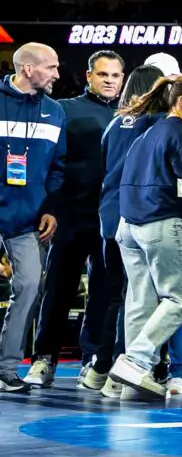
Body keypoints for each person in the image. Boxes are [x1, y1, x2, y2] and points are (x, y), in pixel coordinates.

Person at [108, 75, 182, 398]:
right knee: (179, 301)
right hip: (162, 224)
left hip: (128, 226)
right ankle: (135, 361)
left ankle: (124, 383)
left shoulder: (147, 131)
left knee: (140, 301)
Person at [26, 50, 123, 391]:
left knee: (103, 292)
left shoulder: (130, 115)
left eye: (115, 75)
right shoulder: (64, 110)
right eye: (103, 74)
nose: (109, 81)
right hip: (69, 216)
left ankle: (92, 361)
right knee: (58, 289)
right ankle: (44, 358)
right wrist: (50, 207)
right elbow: (47, 162)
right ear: (88, 76)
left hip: (111, 219)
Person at [94, 64, 165, 398]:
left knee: (117, 298)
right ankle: (128, 372)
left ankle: (102, 368)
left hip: (110, 219)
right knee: (141, 299)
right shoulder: (158, 124)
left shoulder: (112, 124)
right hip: (140, 217)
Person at [0, 43, 65, 394]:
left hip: (27, 218)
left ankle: (6, 367)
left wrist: (51, 207)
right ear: (28, 69)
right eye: (50, 67)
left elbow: (58, 166)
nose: (57, 74)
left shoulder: (55, 111)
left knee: (27, 286)